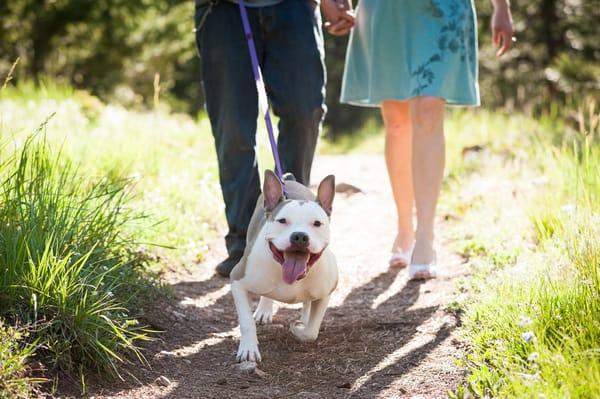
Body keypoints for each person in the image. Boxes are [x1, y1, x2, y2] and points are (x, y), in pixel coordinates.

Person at [339, 0, 513, 279]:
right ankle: (405, 226)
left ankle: (426, 234)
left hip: (442, 10)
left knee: (428, 110)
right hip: (386, 11)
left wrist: (501, 7)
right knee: (396, 123)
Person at [194, 0, 354, 277]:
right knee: (233, 131)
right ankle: (245, 245)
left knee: (305, 112)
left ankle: (296, 232)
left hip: (294, 8)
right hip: (223, 10)